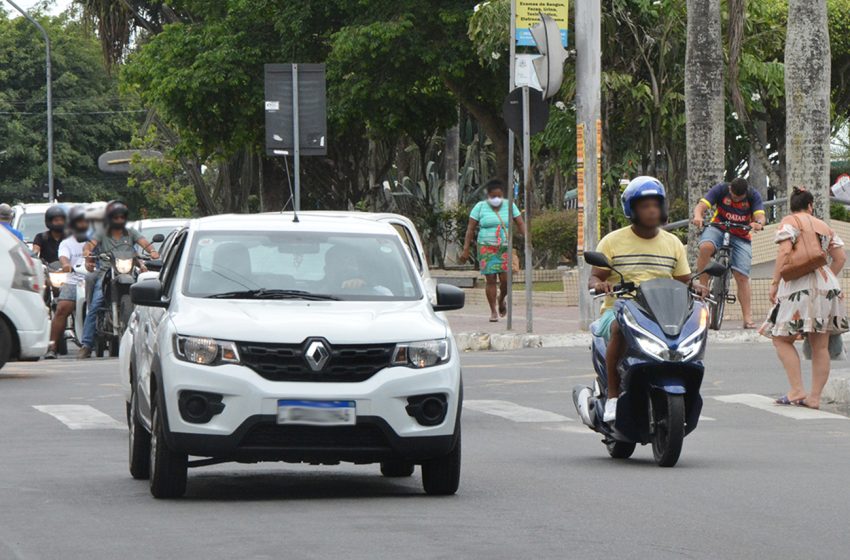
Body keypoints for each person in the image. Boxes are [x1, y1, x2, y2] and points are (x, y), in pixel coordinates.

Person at [589, 177, 693, 422]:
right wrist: (600, 284)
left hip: (660, 313)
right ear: (631, 209)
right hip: (619, 309)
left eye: (655, 205)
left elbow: (684, 281)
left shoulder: (673, 243)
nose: (651, 210)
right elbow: (594, 277)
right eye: (644, 205)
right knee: (618, 328)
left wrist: (697, 286)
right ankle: (613, 395)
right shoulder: (612, 241)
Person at [760, 187, 848, 409]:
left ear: (792, 206)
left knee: (780, 338)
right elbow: (840, 257)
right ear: (810, 206)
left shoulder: (789, 221)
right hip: (827, 285)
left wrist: (774, 283)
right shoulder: (824, 226)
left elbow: (784, 253)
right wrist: (827, 281)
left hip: (799, 285)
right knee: (820, 345)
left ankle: (797, 389)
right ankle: (814, 397)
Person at [78, 201, 159, 358]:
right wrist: (87, 252)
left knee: (144, 300)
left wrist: (153, 251)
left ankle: (143, 341)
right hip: (107, 272)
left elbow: (145, 244)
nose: (119, 220)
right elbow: (89, 245)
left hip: (128, 272)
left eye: (122, 217)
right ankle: (86, 344)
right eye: (116, 217)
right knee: (95, 306)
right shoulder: (101, 233)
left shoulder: (131, 233)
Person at [692, 178, 766, 328]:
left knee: (742, 276)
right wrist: (698, 216)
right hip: (718, 228)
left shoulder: (753, 195)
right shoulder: (721, 189)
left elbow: (760, 216)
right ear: (730, 188)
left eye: (739, 198)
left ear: (745, 194)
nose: (735, 200)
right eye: (733, 196)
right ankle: (703, 286)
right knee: (705, 247)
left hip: (741, 235)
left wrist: (758, 224)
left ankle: (747, 318)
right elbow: (701, 206)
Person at [460, 179, 527, 322]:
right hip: (486, 247)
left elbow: (520, 223)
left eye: (499, 196)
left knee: (505, 280)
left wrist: (527, 238)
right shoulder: (480, 207)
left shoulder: (510, 206)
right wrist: (466, 249)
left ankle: (501, 298)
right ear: (488, 196)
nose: (497, 199)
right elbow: (470, 229)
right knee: (490, 279)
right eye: (493, 196)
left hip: (504, 247)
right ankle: (493, 311)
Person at [44, 206, 89, 359]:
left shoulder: (95, 240)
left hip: (93, 279)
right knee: (62, 308)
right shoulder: (67, 243)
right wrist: (65, 265)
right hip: (74, 281)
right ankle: (52, 346)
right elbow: (63, 257)